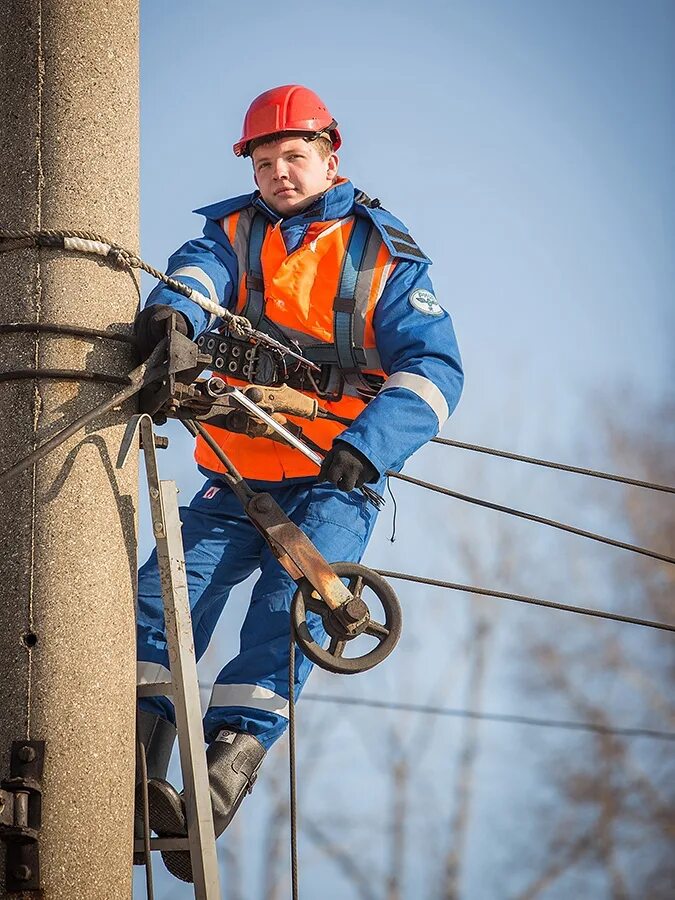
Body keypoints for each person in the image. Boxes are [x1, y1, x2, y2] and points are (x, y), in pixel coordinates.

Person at [134, 84, 464, 882]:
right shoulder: (229, 233)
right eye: (265, 158)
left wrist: (369, 446)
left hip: (334, 481)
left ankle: (219, 777)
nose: (280, 171)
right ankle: (130, 761)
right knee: (163, 596)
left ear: (329, 156)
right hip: (239, 471)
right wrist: (172, 321)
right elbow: (191, 279)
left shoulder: (382, 251)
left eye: (294, 156)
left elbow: (433, 369)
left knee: (287, 614)